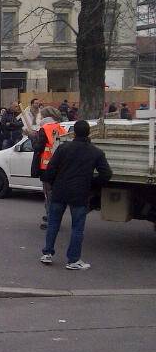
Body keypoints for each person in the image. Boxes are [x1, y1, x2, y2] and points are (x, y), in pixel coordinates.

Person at [40, 120, 112, 269]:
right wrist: (92, 184)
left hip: (60, 190)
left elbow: (51, 169)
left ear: (74, 132)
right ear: (89, 133)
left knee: (53, 223)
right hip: (80, 193)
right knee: (77, 227)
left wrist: (52, 183)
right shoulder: (96, 152)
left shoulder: (63, 148)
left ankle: (47, 253)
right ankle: (73, 260)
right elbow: (106, 174)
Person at [31, 106, 67, 230]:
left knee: (48, 194)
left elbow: (37, 147)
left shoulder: (44, 129)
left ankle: (52, 219)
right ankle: (54, 216)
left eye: (40, 115)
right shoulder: (60, 127)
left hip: (46, 166)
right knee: (55, 194)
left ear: (45, 116)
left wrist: (32, 137)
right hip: (59, 166)